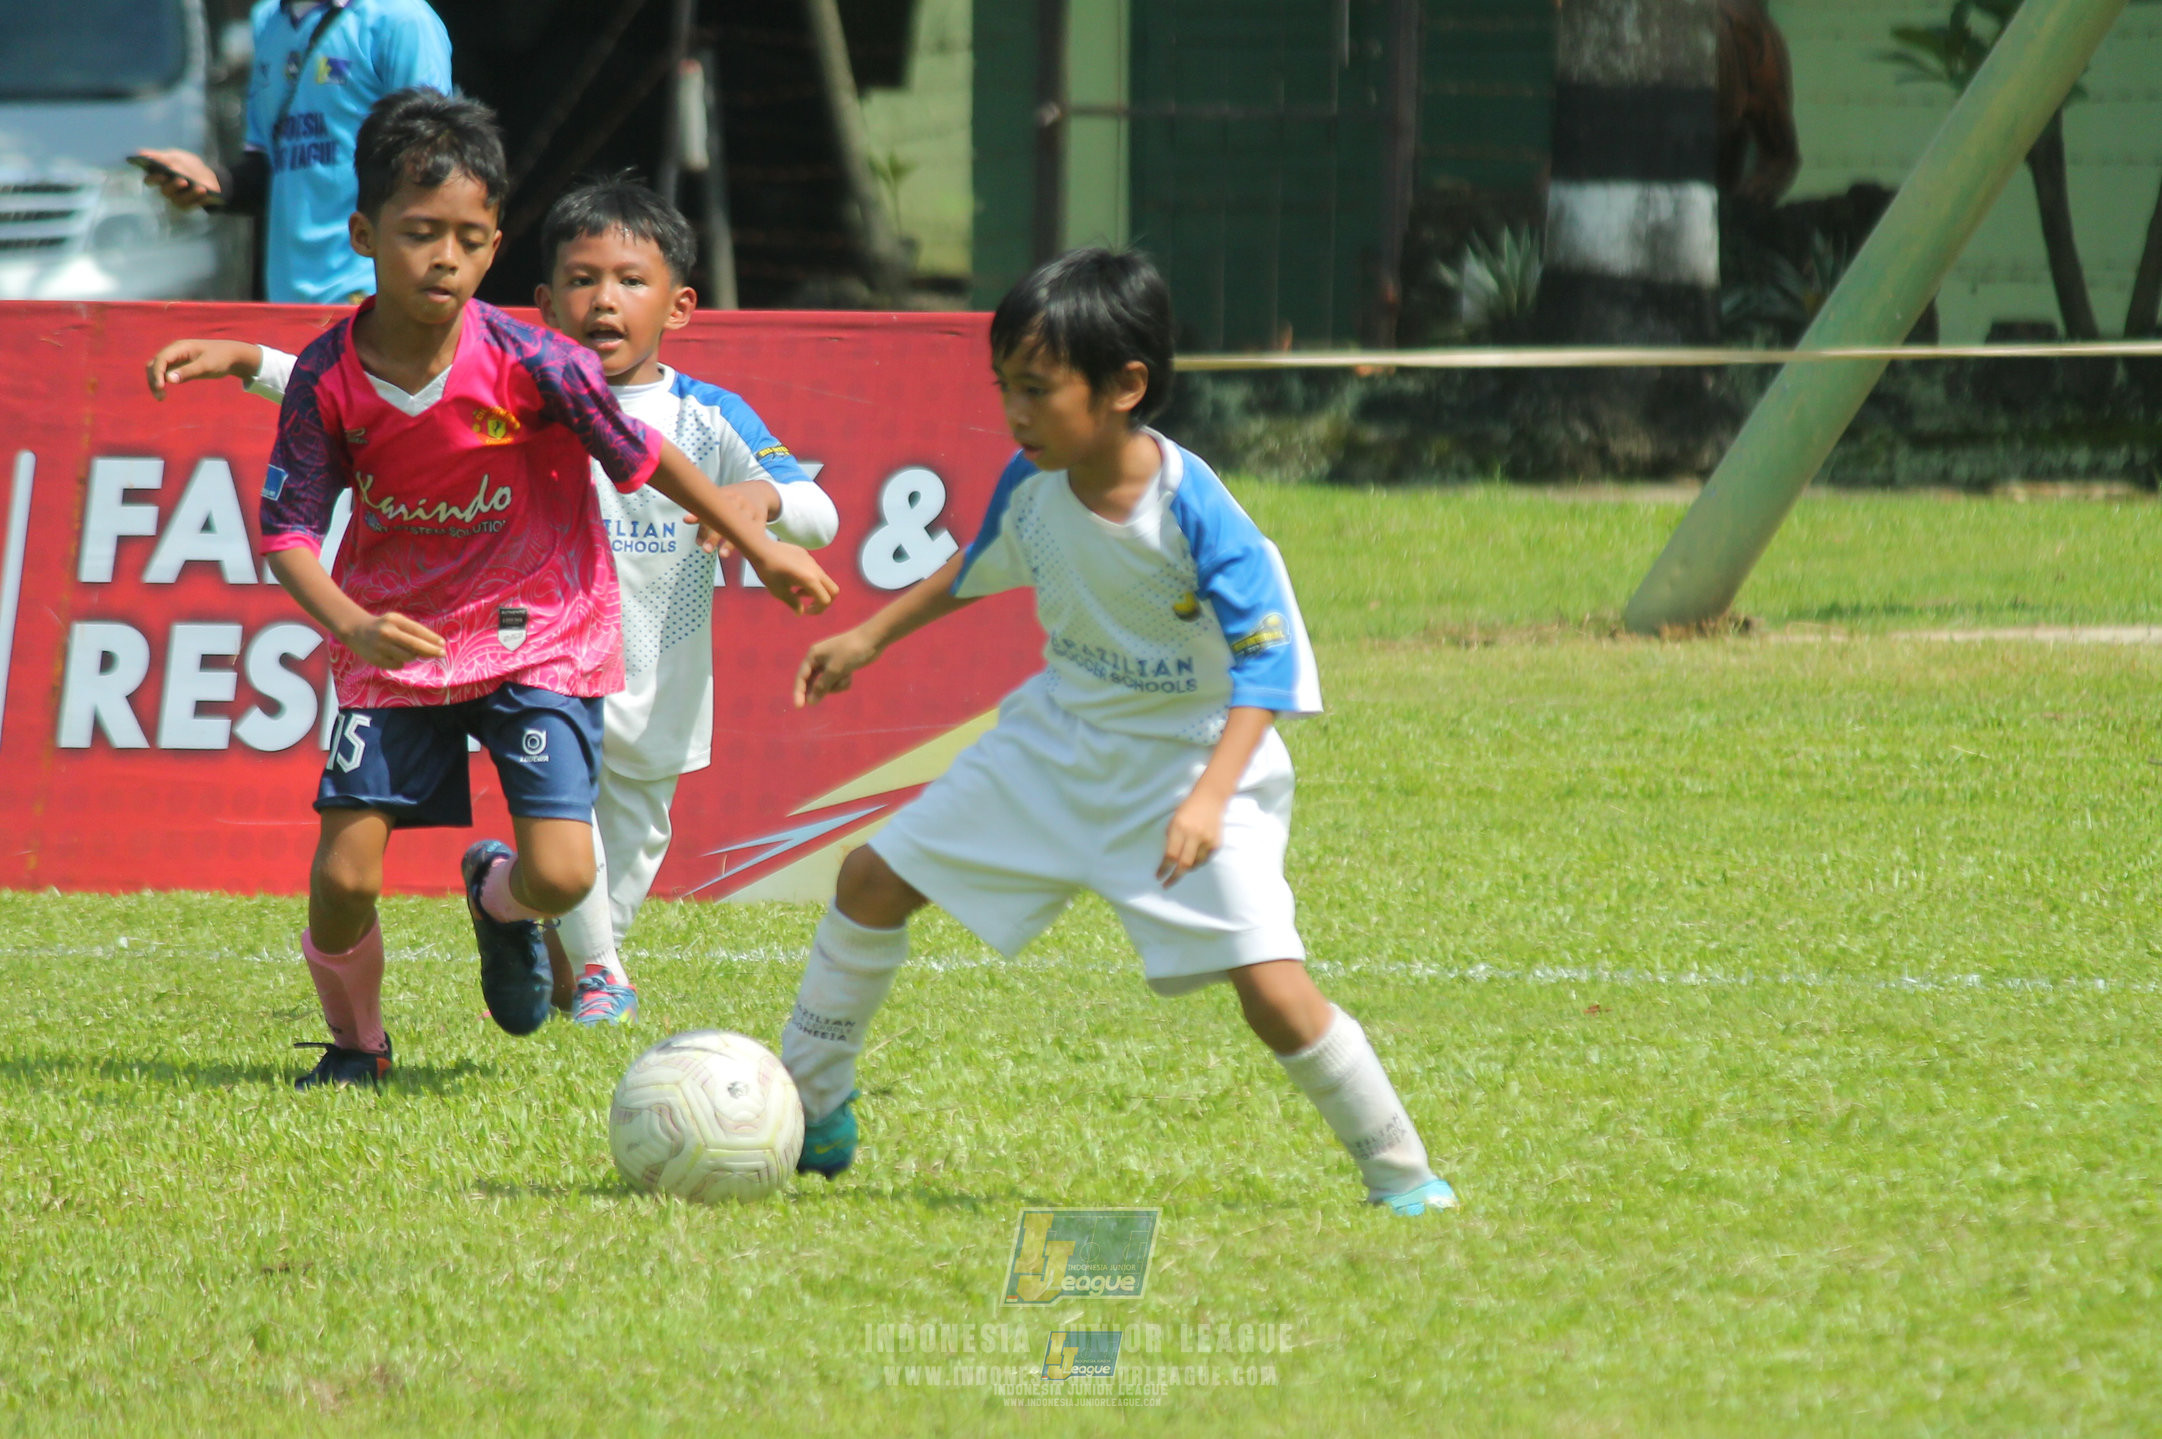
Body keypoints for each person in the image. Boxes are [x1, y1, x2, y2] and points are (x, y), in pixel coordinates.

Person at [151, 88, 839, 1088]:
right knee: (343, 875)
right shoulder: (331, 376)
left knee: (564, 872)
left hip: (541, 640)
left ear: (493, 248)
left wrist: (761, 536)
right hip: (397, 646)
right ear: (363, 233)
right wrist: (352, 621)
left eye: (468, 239)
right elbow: (289, 529)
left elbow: (642, 453)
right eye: (420, 232)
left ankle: (504, 900)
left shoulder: (539, 364)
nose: (443, 257)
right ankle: (356, 1047)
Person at [779, 248, 1455, 1215]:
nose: (1014, 412)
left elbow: (1266, 669)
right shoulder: (1033, 481)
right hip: (1055, 745)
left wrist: (1210, 800)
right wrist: (868, 636)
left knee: (1272, 989)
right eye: (1004, 386)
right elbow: (974, 567)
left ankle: (1403, 1172)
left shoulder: (1197, 513)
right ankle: (812, 1103)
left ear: (1126, 386)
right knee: (869, 881)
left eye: (1038, 389)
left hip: (1191, 762)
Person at [136, 0, 454, 303]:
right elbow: (274, 167)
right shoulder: (267, 20)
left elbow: (429, 170)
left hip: (370, 297)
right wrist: (216, 183)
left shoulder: (402, 19)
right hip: (287, 301)